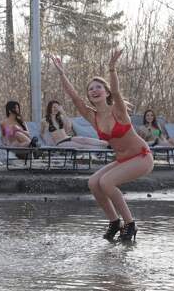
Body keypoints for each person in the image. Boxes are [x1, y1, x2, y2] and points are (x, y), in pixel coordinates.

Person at [50, 49, 154, 242]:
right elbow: (74, 98)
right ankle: (115, 222)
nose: (94, 90)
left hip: (142, 157)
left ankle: (130, 224)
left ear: (106, 92)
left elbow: (116, 91)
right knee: (93, 183)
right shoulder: (92, 116)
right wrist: (62, 73)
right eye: (91, 89)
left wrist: (112, 69)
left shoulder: (119, 111)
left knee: (106, 182)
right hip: (123, 159)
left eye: (98, 87)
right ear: (89, 96)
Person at [41, 100, 109, 149]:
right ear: (49, 108)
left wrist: (62, 112)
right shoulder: (45, 121)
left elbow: (69, 126)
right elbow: (42, 133)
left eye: (57, 107)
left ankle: (108, 144)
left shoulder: (60, 118)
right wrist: (49, 143)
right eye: (54, 107)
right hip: (60, 142)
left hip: (68, 137)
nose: (55, 109)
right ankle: (101, 150)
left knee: (84, 139)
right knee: (81, 146)